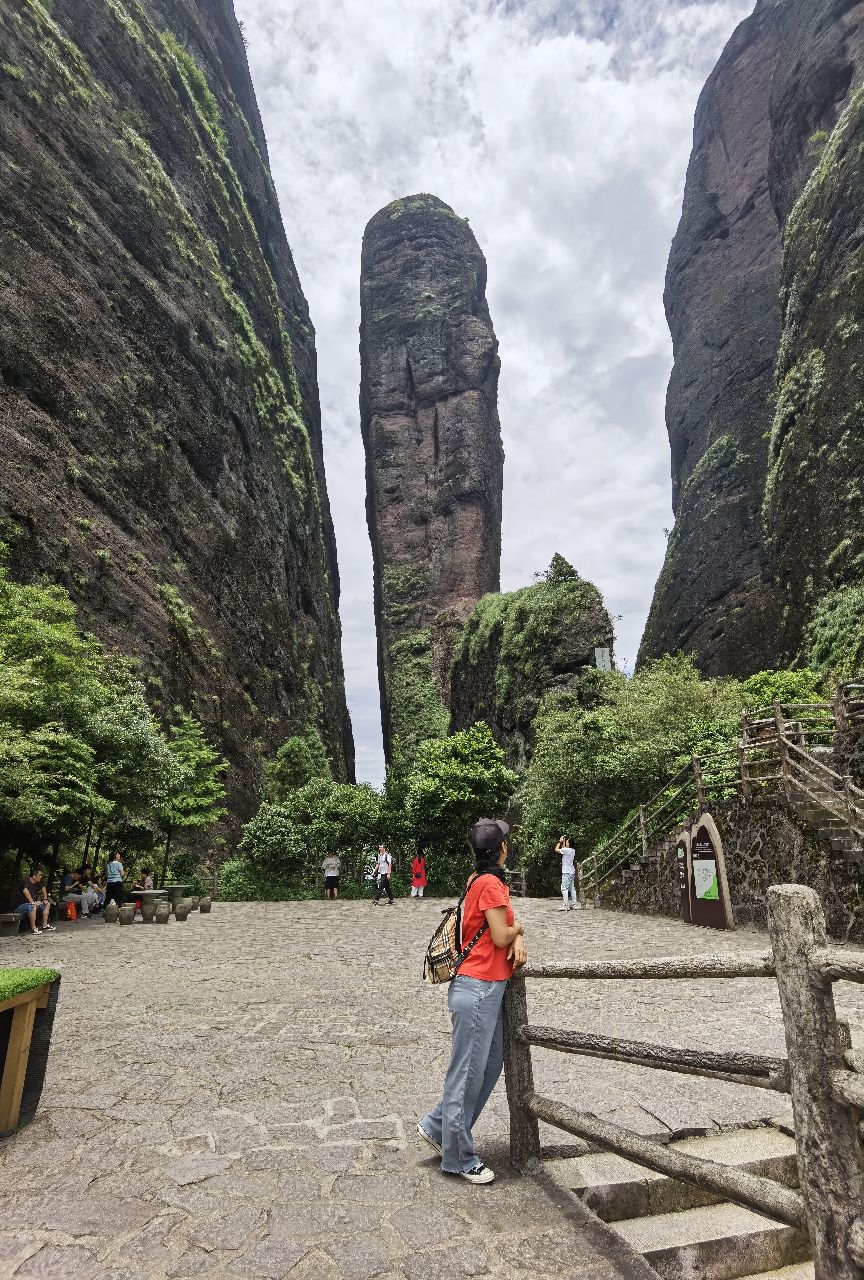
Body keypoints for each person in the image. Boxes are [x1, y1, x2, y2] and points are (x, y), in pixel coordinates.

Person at [417, 818, 527, 1185]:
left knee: (491, 1063)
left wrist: (515, 939)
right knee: (466, 1072)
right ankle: (459, 1157)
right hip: (478, 987)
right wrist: (519, 931)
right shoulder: (492, 885)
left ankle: (438, 1126)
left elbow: (498, 933)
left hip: (484, 986)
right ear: (502, 850)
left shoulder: (477, 881)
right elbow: (499, 935)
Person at [10, 869, 55, 935]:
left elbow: (43, 888)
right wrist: (33, 902)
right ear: (34, 876)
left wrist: (45, 899)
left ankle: (45, 926)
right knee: (33, 906)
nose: (41, 876)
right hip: (19, 906)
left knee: (47, 904)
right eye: (40, 875)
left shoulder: (36, 883)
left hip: (28, 905)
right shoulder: (27, 881)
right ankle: (33, 929)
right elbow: (25, 891)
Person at [555, 835, 579, 911]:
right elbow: (564, 848)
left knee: (564, 888)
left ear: (569, 843)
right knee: (572, 889)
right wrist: (564, 841)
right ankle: (574, 905)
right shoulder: (572, 850)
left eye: (567, 841)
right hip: (571, 872)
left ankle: (565, 906)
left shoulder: (566, 850)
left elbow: (556, 849)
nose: (566, 842)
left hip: (566, 872)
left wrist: (560, 841)